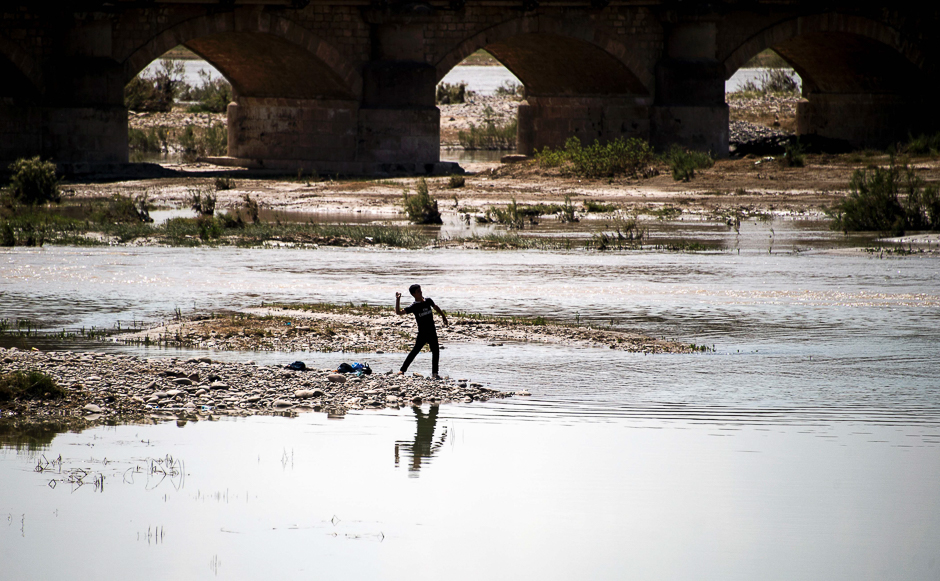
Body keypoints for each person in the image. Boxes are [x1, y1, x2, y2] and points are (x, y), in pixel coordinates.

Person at [395, 284, 448, 379]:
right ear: (414, 294)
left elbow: (436, 307)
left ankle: (435, 373)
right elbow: (399, 312)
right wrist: (398, 299)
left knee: (436, 351)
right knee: (415, 351)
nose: (421, 292)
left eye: (421, 290)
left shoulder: (428, 301)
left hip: (432, 332)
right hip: (423, 333)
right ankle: (402, 370)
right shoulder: (414, 306)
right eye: (418, 291)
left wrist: (443, 316)